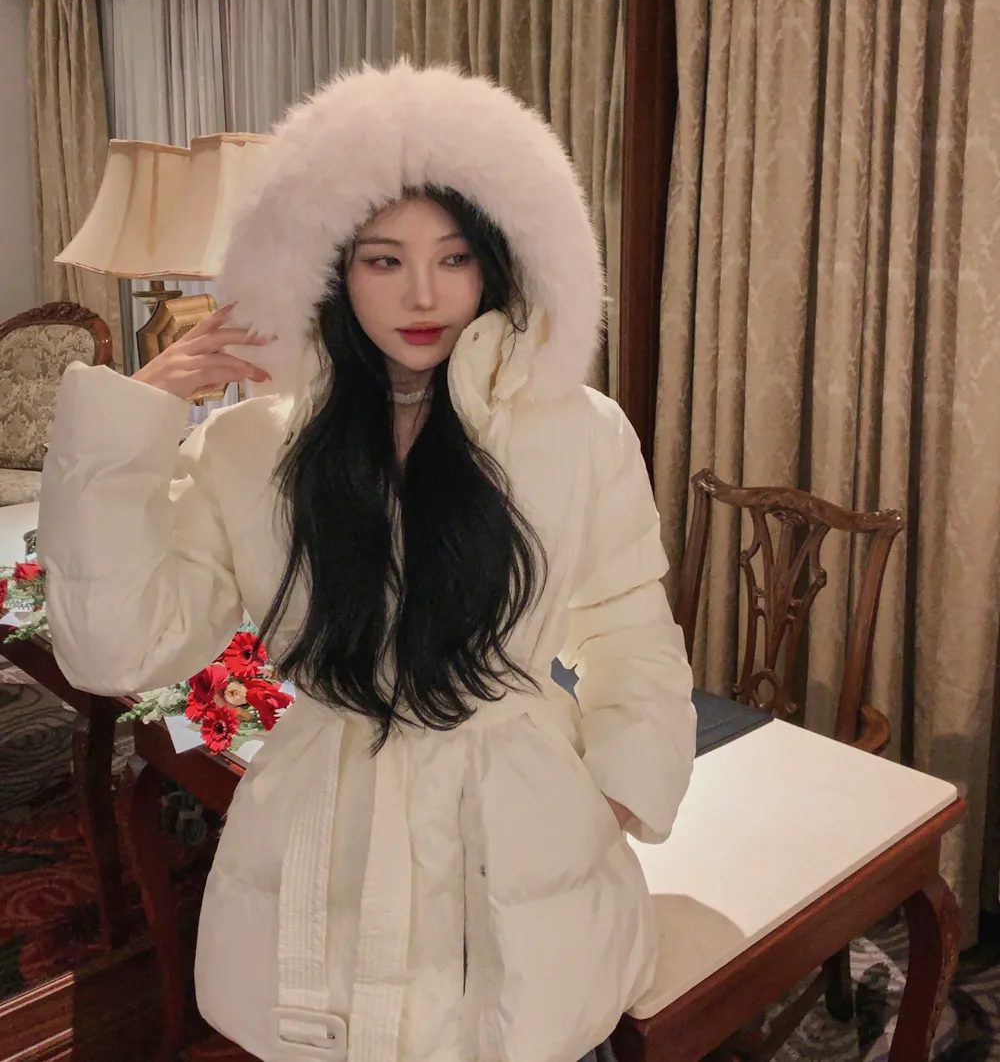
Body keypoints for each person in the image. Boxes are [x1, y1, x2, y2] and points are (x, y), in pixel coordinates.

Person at [37, 62, 696, 1062]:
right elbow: (116, 650)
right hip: (321, 829)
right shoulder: (250, 448)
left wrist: (608, 797)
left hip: (520, 829)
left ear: (502, 261)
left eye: (455, 256)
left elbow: (630, 629)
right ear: (328, 268)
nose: (423, 293)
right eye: (383, 259)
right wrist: (130, 422)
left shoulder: (579, 431)